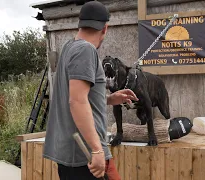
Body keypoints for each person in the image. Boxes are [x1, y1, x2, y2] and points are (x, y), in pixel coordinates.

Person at [43, 1, 138, 180]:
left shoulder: (69, 47)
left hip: (74, 154)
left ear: (81, 24)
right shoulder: (86, 50)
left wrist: (109, 99)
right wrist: (96, 149)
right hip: (85, 156)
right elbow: (77, 101)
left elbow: (77, 96)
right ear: (105, 28)